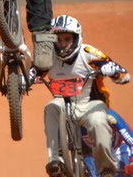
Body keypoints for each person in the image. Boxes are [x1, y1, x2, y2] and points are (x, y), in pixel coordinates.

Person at [42, 15, 130, 177]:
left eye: (67, 39)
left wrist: (112, 71)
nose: (62, 44)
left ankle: (107, 170)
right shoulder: (48, 57)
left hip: (90, 105)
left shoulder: (89, 53)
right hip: (63, 102)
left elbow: (124, 75)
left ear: (76, 38)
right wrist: (25, 79)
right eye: (58, 40)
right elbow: (34, 71)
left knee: (98, 122)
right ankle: (56, 160)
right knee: (51, 107)